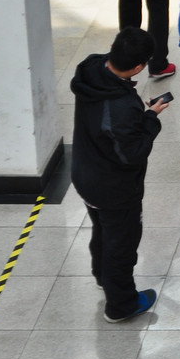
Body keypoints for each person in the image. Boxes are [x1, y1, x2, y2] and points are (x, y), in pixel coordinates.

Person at [70, 26, 169, 322]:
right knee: (121, 245)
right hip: (113, 189)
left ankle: (102, 275)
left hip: (85, 174)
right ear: (138, 67)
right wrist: (150, 118)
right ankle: (121, 304)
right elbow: (132, 154)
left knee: (102, 229)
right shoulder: (121, 107)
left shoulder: (90, 67)